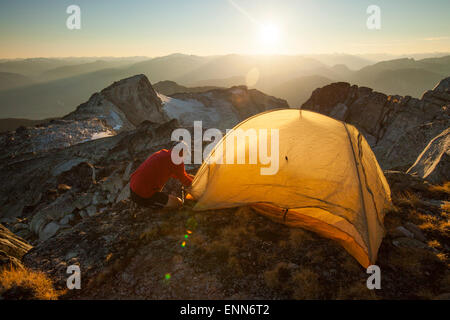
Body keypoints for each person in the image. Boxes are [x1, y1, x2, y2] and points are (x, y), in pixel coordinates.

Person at [129, 143, 193, 209]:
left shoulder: (163, 152)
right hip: (143, 195)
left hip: (132, 188)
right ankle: (150, 204)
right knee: (178, 203)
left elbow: (178, 174)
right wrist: (198, 186)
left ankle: (145, 202)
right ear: (182, 153)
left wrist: (189, 177)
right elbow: (186, 181)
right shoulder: (177, 160)